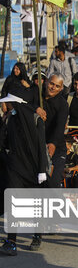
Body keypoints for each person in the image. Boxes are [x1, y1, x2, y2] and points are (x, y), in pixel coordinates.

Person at [0, 92, 49, 256]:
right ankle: (11, 241)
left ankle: (37, 235)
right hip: (15, 168)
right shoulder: (10, 119)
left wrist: (42, 170)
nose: (7, 106)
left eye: (10, 103)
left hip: (34, 169)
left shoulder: (36, 120)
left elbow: (42, 147)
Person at [35, 74, 68, 191]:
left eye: (57, 86)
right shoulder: (37, 96)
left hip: (56, 147)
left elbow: (60, 127)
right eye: (51, 84)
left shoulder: (63, 104)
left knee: (53, 182)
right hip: (37, 145)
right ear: (46, 82)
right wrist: (35, 108)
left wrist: (53, 143)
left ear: (61, 88)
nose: (53, 87)